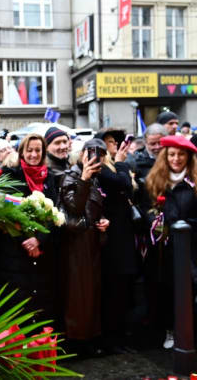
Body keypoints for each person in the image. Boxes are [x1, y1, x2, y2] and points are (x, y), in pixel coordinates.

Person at [144, 135, 197, 363]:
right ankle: (171, 330)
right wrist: (158, 222)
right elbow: (147, 209)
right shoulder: (154, 180)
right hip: (167, 246)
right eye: (171, 154)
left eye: (181, 154)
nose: (176, 159)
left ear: (189, 157)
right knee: (168, 290)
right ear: (164, 156)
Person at [0, 134, 59, 325]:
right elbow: (5, 212)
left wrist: (39, 240)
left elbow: (54, 213)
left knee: (40, 301)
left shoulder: (49, 177)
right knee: (16, 302)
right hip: (14, 249)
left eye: (38, 150)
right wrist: (26, 239)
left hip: (41, 250)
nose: (34, 154)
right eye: (29, 150)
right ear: (21, 151)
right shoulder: (10, 174)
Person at [57, 139, 111, 356]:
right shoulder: (71, 176)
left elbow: (95, 209)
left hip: (92, 242)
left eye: (100, 154)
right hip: (75, 244)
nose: (94, 158)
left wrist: (105, 221)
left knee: (91, 293)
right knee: (78, 295)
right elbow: (75, 207)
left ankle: (88, 339)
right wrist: (84, 179)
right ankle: (76, 341)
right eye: (90, 153)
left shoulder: (97, 179)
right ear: (81, 155)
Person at [94, 129, 138, 353]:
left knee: (123, 288)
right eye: (110, 142)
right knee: (113, 289)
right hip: (112, 238)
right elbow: (122, 184)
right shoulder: (101, 167)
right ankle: (111, 339)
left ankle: (121, 336)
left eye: (116, 142)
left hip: (124, 234)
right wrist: (121, 163)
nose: (115, 146)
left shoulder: (116, 165)